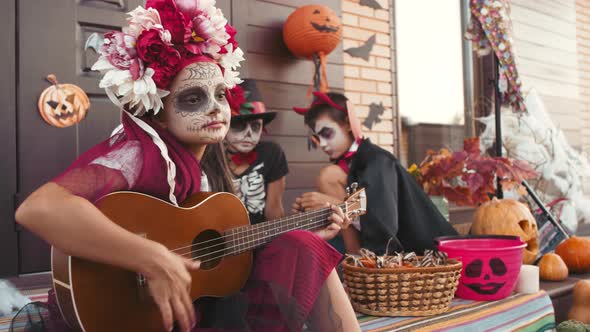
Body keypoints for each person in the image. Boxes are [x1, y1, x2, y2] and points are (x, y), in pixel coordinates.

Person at [13, 2, 360, 331]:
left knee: (303, 245)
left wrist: (305, 229)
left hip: (197, 300)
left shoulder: (209, 164)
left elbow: (215, 249)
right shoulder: (135, 154)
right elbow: (38, 208)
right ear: (157, 113)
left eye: (221, 95)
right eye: (193, 98)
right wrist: (150, 257)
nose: (214, 109)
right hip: (126, 310)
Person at [292, 91, 458, 256]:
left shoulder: (376, 161)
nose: (322, 144)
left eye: (327, 133)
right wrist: (312, 215)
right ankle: (355, 261)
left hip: (433, 258)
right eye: (316, 138)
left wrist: (336, 205)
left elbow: (383, 228)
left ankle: (358, 264)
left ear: (348, 123)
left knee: (328, 176)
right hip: (384, 255)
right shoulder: (348, 167)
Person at [224, 79, 288, 224]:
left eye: (255, 126)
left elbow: (274, 211)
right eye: (239, 125)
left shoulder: (271, 153)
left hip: (260, 237)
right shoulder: (211, 155)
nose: (248, 134)